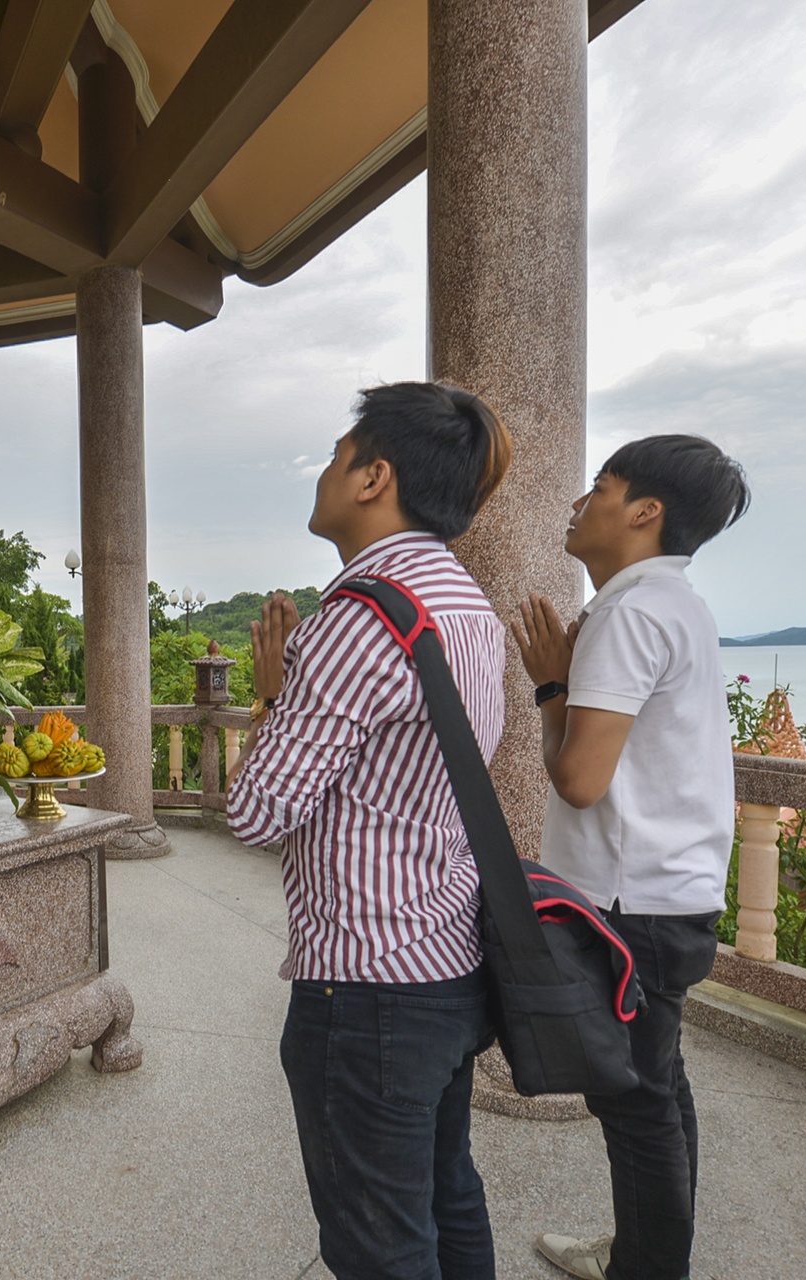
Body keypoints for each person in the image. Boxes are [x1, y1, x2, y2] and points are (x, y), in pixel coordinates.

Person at [229, 381, 514, 1280]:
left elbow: (255, 811)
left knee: (378, 1239)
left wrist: (273, 693)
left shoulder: (357, 620)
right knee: (444, 1193)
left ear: (373, 476)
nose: (324, 471)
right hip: (447, 955)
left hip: (366, 983)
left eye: (337, 455)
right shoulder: (465, 604)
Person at [509, 435, 750, 1280]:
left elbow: (578, 779)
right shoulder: (676, 603)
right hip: (670, 896)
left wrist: (550, 686)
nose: (582, 502)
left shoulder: (626, 612)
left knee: (635, 1105)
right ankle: (648, 1250)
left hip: (628, 905)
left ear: (645, 511)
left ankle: (648, 1269)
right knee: (660, 1088)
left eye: (602, 486)